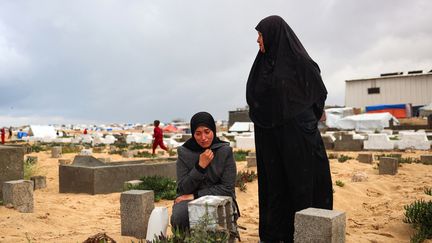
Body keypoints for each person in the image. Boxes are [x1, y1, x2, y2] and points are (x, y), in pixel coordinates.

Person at [246, 15, 333, 242]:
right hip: (270, 142)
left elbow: (317, 94)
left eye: (261, 34)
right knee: (276, 189)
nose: (258, 40)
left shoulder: (301, 63)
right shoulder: (261, 66)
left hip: (299, 143)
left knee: (302, 188)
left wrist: (300, 121)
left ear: (274, 35)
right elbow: (255, 99)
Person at [170, 111, 238, 231]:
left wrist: (195, 195)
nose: (203, 138)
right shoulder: (184, 153)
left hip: (218, 197)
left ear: (213, 130)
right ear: (193, 134)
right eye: (198, 133)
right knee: (179, 217)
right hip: (187, 199)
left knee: (221, 214)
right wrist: (199, 167)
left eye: (207, 132)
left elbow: (227, 189)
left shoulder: (225, 151)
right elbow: (183, 188)